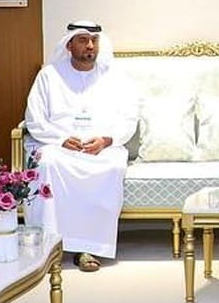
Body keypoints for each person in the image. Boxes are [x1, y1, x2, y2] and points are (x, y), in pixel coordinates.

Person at [24, 22, 138, 272]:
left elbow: (129, 118)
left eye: (94, 40)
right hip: (59, 146)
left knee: (111, 167)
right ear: (69, 44)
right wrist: (60, 138)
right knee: (47, 163)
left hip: (102, 148)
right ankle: (50, 247)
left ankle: (89, 248)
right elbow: (34, 119)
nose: (89, 46)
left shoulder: (114, 77)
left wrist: (106, 140)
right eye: (83, 40)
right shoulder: (49, 76)